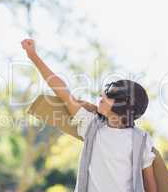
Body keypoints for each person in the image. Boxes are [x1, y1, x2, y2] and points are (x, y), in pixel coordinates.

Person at [21, 39, 157, 192]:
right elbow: (62, 91)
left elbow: (151, 186)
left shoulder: (141, 140)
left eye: (109, 95)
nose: (101, 96)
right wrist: (33, 56)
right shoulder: (90, 125)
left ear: (124, 105)